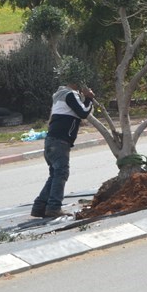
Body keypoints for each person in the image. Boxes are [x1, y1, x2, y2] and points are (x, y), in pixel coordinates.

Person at [31, 82, 95, 218]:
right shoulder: (70, 95)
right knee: (61, 174)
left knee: (55, 175)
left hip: (51, 141)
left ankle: (39, 206)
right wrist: (89, 98)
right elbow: (83, 113)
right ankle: (54, 207)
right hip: (60, 142)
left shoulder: (59, 95)